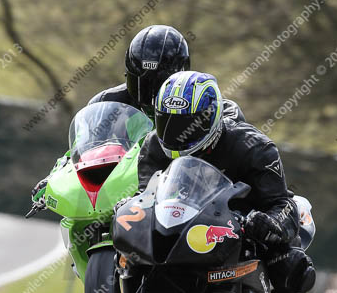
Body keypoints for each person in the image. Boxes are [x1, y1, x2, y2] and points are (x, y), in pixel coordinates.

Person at [137, 70, 315, 293]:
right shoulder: (153, 146)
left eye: (185, 123)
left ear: (209, 118)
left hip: (239, 224)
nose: (174, 131)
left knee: (291, 260)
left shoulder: (254, 147)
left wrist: (267, 223)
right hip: (180, 223)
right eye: (166, 120)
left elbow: (282, 205)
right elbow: (145, 195)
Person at [31, 25, 245, 207]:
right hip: (116, 198)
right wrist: (54, 177)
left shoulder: (209, 105)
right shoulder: (107, 102)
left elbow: (235, 144)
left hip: (186, 197)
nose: (150, 93)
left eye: (159, 82)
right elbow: (82, 150)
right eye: (141, 80)